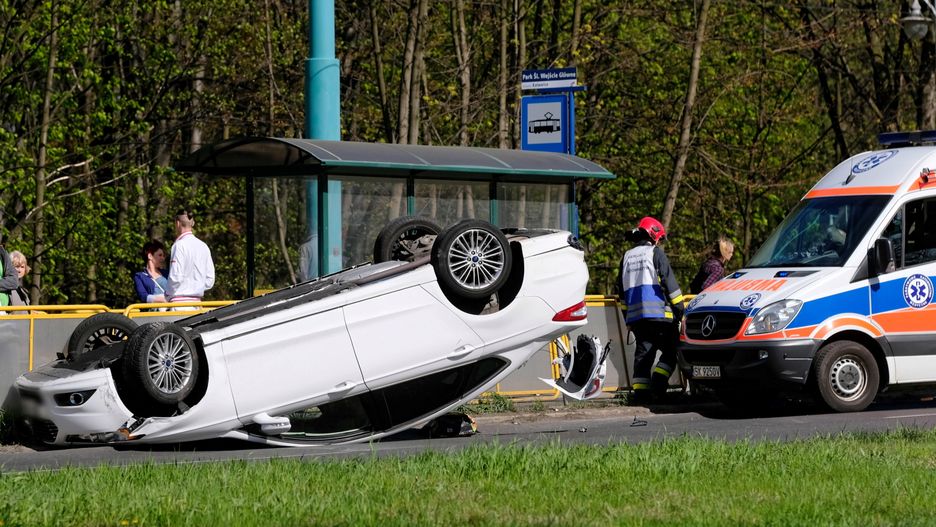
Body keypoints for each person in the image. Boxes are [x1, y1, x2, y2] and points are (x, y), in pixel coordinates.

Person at [617, 216, 684, 404]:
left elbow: (621, 293)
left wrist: (627, 319)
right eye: (659, 238)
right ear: (654, 235)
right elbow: (671, 285)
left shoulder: (626, 257)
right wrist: (680, 310)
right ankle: (658, 384)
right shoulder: (656, 254)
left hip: (637, 319)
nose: (659, 242)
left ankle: (641, 396)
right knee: (672, 351)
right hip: (660, 317)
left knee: (643, 357)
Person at [166, 209, 215, 310]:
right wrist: (197, 287)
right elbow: (210, 279)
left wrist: (167, 294)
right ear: (193, 223)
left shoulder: (179, 246)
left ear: (178, 223)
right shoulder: (203, 246)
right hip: (197, 304)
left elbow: (176, 277)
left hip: (179, 305)